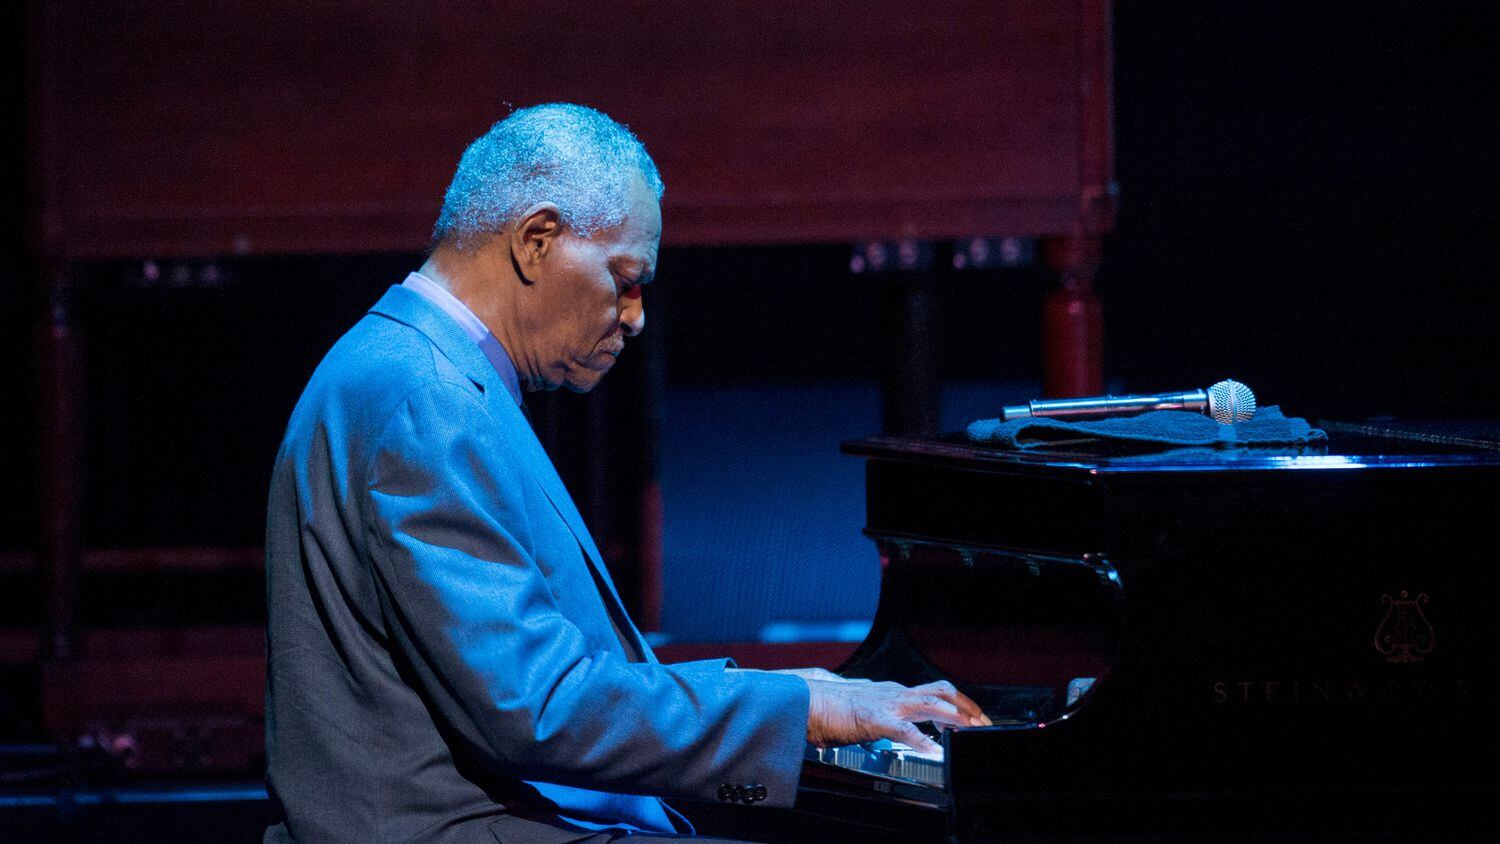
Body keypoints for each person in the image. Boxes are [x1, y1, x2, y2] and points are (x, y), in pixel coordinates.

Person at [263, 103, 988, 844]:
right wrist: (797, 710)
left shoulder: (417, 375)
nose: (636, 316)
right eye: (625, 278)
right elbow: (536, 709)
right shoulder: (426, 399)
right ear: (536, 241)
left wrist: (791, 693)